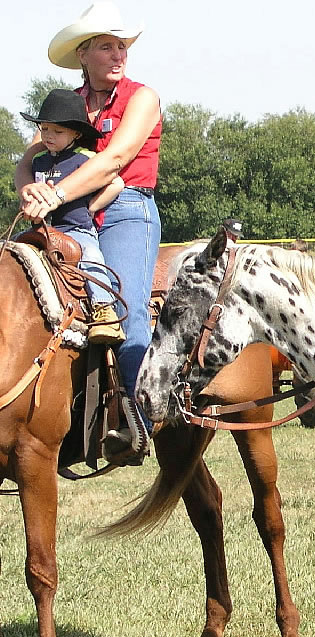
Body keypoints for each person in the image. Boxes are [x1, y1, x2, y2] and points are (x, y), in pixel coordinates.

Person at [16, 1, 162, 460]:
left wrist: (54, 195)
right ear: (83, 54)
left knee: (125, 304)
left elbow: (115, 160)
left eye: (122, 46)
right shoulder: (67, 107)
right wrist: (30, 195)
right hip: (64, 214)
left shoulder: (142, 97)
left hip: (126, 209)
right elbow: (25, 163)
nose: (118, 55)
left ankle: (137, 416)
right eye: (106, 46)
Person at [21, 88, 125, 344]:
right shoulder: (39, 161)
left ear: (75, 134)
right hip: (43, 231)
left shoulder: (86, 159)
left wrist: (91, 207)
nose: (48, 136)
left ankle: (104, 312)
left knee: (91, 257)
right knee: (13, 250)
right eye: (44, 129)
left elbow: (117, 183)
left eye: (57, 131)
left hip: (75, 230)